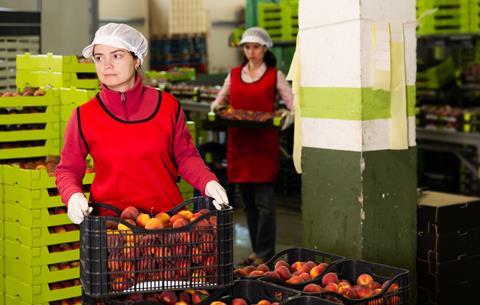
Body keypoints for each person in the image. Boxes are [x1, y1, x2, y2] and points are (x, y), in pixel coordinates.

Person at [56, 23, 229, 224]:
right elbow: (68, 169)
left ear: (137, 59)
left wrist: (208, 182)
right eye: (99, 57)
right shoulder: (83, 116)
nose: (106, 65)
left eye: (117, 55)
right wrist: (72, 195)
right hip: (111, 226)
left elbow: (185, 156)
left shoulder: (167, 106)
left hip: (165, 221)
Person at [210, 27, 294, 265]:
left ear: (265, 48)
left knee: (265, 203)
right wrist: (217, 109)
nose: (251, 51)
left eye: (255, 47)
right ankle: (257, 252)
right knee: (248, 204)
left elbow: (291, 103)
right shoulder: (234, 74)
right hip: (239, 146)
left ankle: (265, 254)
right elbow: (220, 100)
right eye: (247, 47)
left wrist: (287, 115)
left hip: (263, 148)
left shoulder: (274, 75)